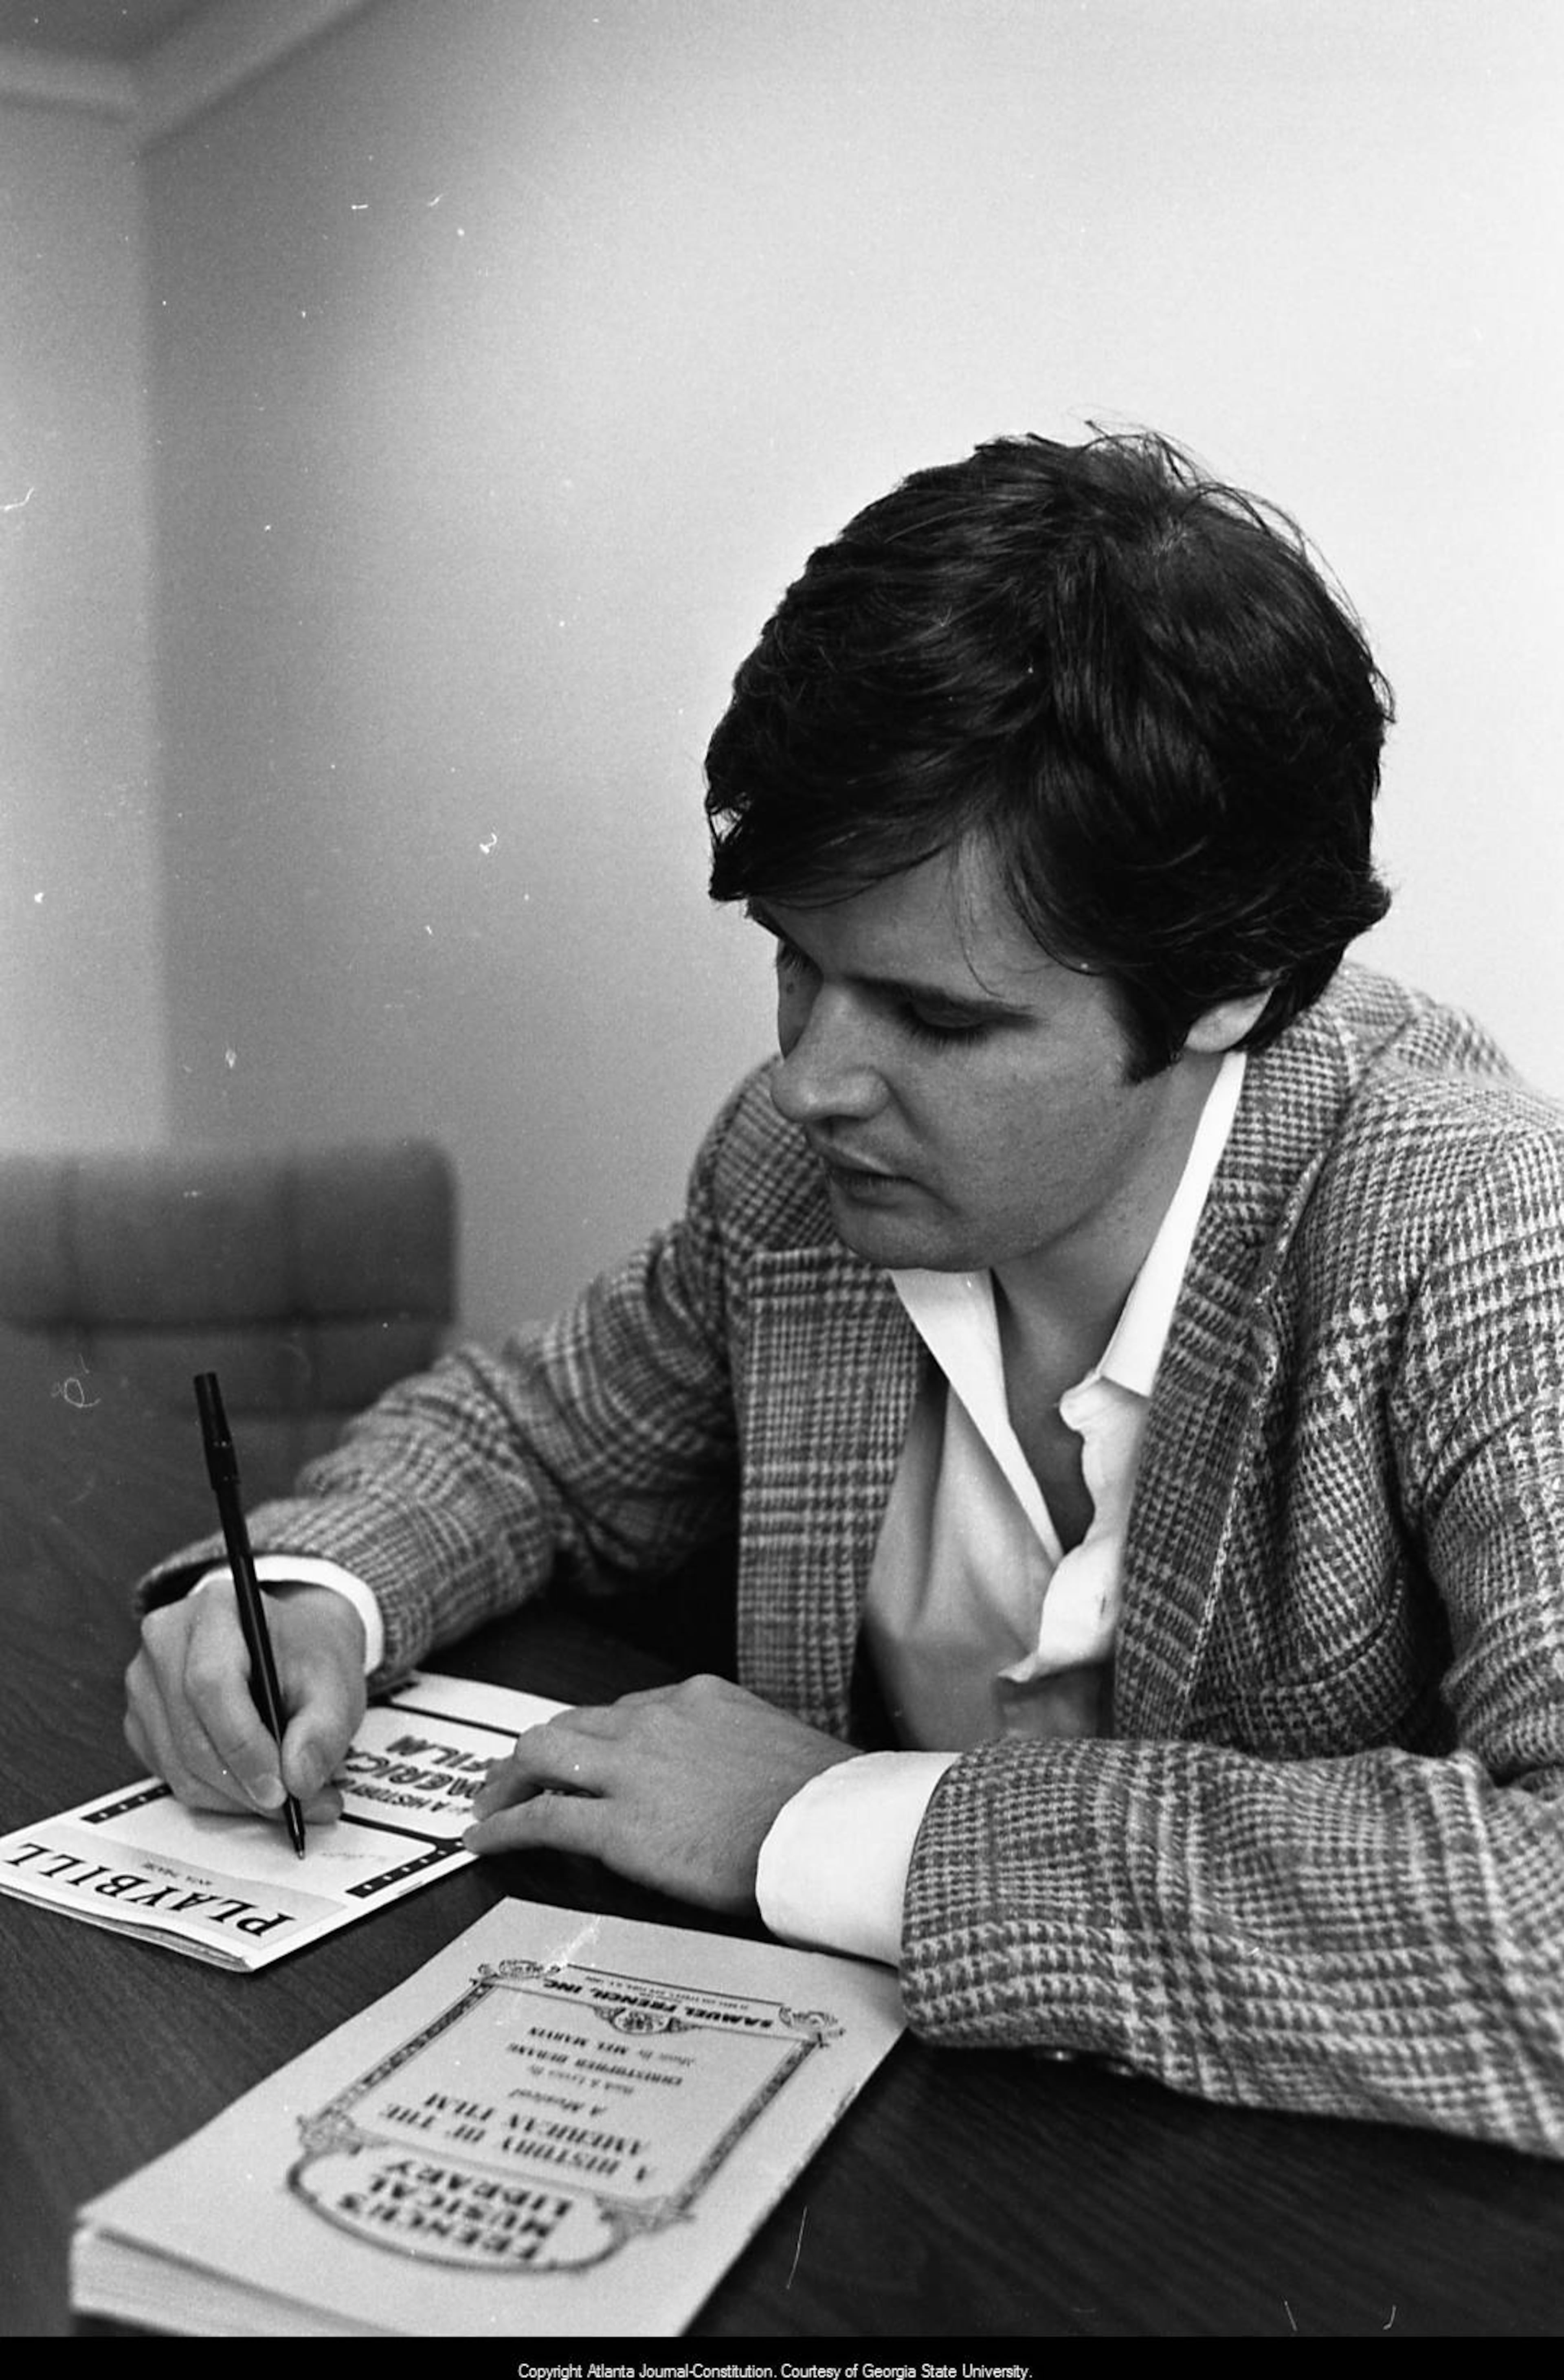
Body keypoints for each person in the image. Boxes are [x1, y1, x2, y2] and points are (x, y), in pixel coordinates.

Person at [125, 429, 1564, 2159]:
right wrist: (308, 1594)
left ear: (1232, 987)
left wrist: (831, 1827)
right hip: (868, 2161)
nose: (811, 1079)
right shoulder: (794, 1169)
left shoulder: (1482, 1223)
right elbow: (536, 1437)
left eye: (939, 1019)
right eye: (796, 966)